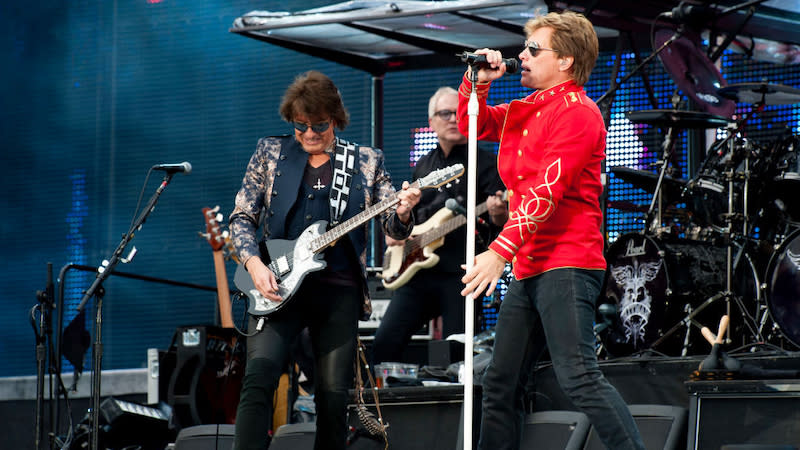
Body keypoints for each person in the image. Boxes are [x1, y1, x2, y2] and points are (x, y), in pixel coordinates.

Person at [457, 11, 646, 450]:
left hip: (567, 262)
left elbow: (548, 189)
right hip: (528, 265)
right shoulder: (527, 109)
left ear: (565, 61)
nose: (521, 56)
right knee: (501, 383)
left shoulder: (580, 113)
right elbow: (471, 124)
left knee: (579, 376)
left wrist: (499, 251)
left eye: (533, 50)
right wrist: (478, 82)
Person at [228, 70, 421, 450]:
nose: (309, 134)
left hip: (337, 291)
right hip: (276, 285)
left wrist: (402, 213)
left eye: (319, 125)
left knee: (333, 394)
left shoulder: (365, 160)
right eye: (300, 127)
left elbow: (395, 232)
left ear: (335, 119)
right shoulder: (270, 152)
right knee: (260, 377)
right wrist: (253, 263)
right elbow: (241, 217)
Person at [372, 86, 507, 366]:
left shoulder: (485, 162)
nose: (453, 119)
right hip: (418, 273)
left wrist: (497, 214)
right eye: (445, 114)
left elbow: (500, 223)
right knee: (384, 345)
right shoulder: (423, 165)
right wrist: (400, 232)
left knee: (456, 354)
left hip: (461, 274)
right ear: (431, 121)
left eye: (458, 113)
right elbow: (413, 217)